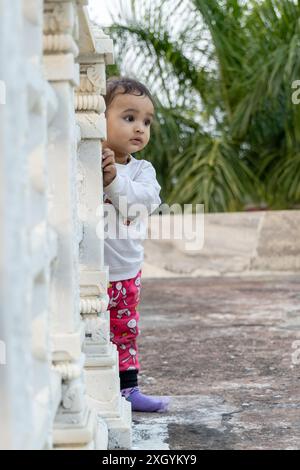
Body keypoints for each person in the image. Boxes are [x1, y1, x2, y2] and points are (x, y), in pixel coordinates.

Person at [102, 77, 169, 412]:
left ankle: (129, 390)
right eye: (128, 118)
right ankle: (94, 385)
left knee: (124, 333)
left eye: (146, 121)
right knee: (91, 333)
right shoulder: (85, 161)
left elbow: (137, 204)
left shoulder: (143, 172)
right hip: (88, 271)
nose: (139, 128)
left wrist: (113, 181)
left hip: (126, 272)